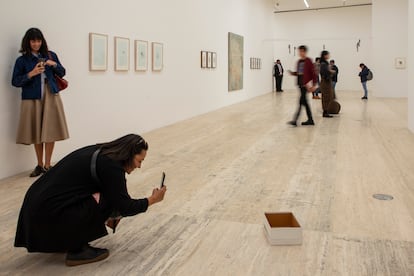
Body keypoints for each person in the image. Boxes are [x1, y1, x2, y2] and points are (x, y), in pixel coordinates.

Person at [15, 134, 167, 266]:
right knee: (108, 199)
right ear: (128, 154)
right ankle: (77, 250)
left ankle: (66, 239)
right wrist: (152, 199)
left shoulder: (102, 154)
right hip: (44, 215)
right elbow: (125, 206)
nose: (139, 166)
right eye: (139, 161)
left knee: (107, 195)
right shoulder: (111, 167)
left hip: (37, 211)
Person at [12, 28, 69, 177]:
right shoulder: (22, 60)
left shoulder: (51, 55)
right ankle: (39, 165)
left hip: (51, 95)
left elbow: (62, 72)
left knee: (50, 131)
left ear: (42, 41)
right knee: (37, 131)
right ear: (28, 42)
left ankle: (48, 165)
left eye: (38, 40)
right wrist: (31, 73)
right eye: (33, 41)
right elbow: (15, 81)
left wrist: (53, 64)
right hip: (32, 98)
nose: (36, 44)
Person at [288, 45, 318, 126]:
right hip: (300, 84)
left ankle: (295, 120)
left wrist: (314, 84)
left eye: (301, 51)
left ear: (305, 52)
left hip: (306, 85)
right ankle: (310, 120)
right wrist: (293, 73)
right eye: (299, 51)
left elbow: (313, 73)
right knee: (304, 102)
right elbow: (299, 73)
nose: (300, 53)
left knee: (301, 102)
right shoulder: (299, 62)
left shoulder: (308, 61)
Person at [320, 51, 335, 118]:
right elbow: (324, 73)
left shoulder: (325, 63)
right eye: (327, 55)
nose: (328, 56)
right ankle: (325, 112)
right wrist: (331, 72)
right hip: (325, 82)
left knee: (328, 96)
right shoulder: (323, 64)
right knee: (326, 97)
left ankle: (326, 111)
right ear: (324, 55)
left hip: (326, 81)